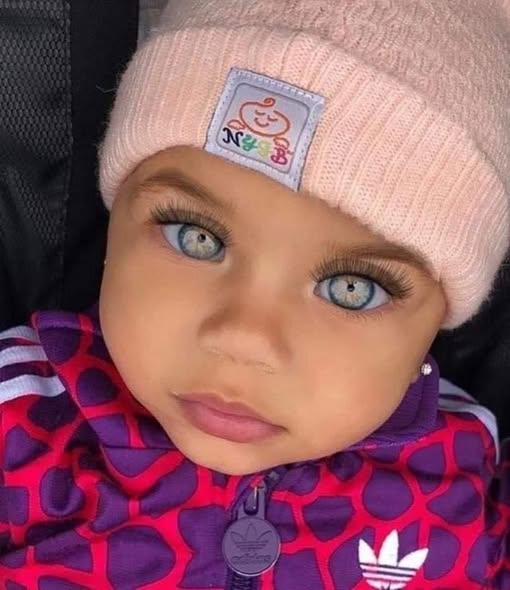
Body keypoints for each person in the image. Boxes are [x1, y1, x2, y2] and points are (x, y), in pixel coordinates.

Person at [1, 1, 509, 588]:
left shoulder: (467, 472)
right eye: (196, 237)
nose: (244, 338)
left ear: (440, 317)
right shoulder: (22, 428)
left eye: (353, 289)